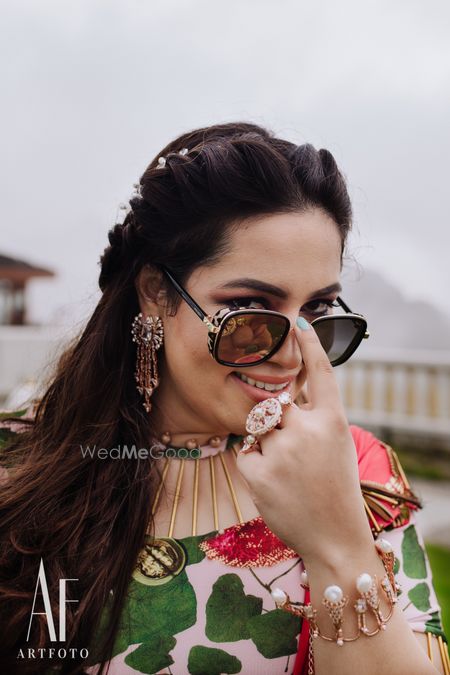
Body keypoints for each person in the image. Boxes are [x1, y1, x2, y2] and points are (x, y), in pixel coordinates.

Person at [0, 122, 448, 675]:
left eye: (318, 315)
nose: (292, 357)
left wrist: (339, 542)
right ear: (155, 293)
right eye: (249, 312)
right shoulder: (15, 468)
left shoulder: (360, 476)